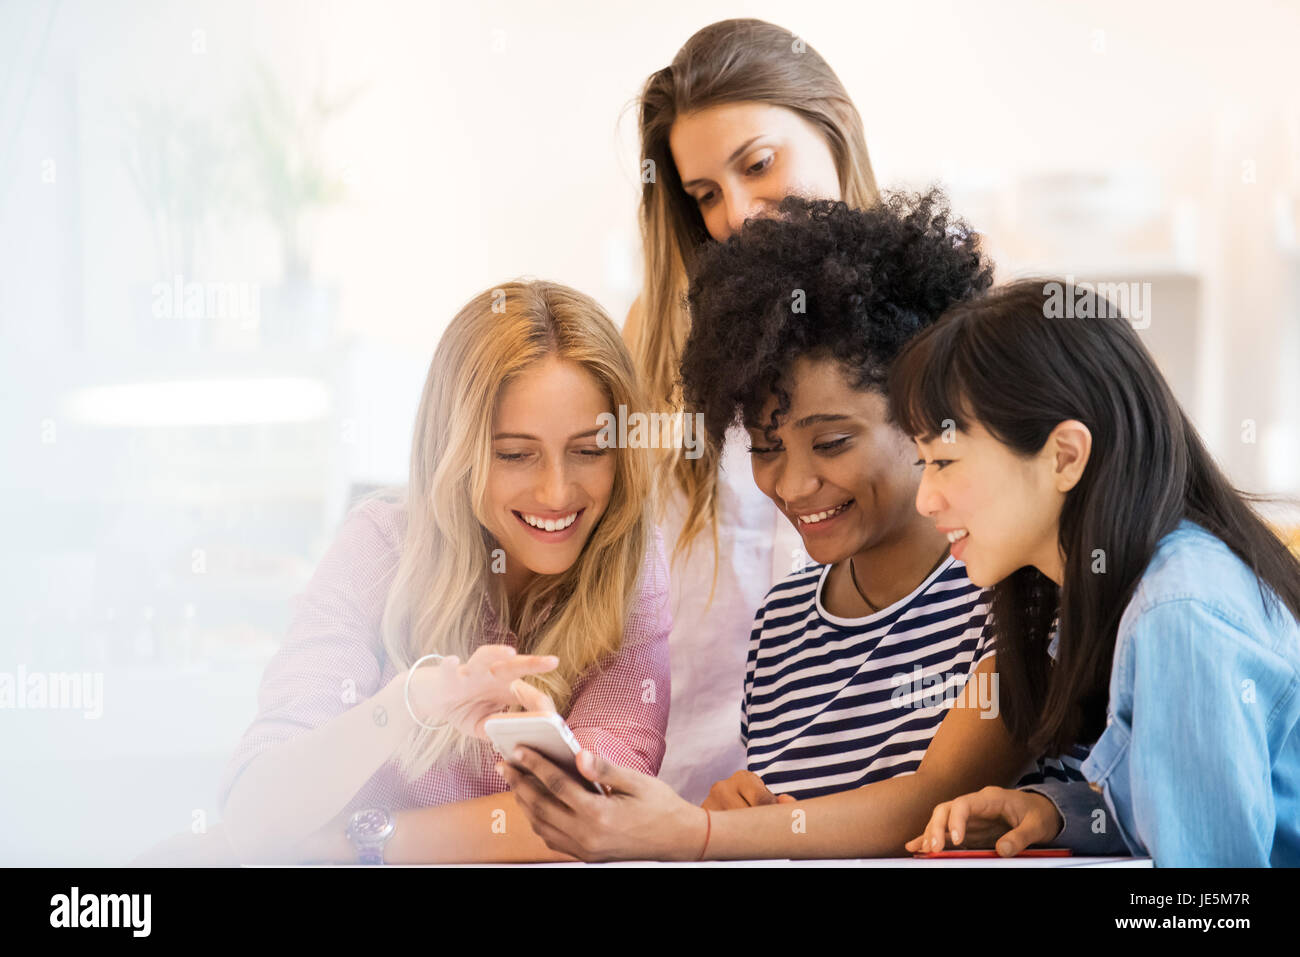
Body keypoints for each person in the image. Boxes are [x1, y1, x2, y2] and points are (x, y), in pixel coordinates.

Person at [497, 195, 1071, 861]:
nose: (792, 485)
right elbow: (799, 828)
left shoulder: (1014, 585)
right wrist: (746, 814)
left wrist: (702, 833)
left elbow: (928, 800)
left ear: (927, 415)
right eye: (766, 449)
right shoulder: (783, 626)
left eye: (830, 442)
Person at [217, 280, 671, 864]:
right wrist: (408, 703)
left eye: (588, 450)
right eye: (514, 453)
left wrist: (359, 842)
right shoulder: (379, 548)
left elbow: (602, 813)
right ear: (454, 450)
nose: (558, 492)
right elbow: (256, 811)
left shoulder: (631, 560)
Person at [890, 280, 1300, 866]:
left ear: (1064, 457)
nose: (925, 499)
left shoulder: (1179, 614)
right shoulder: (1136, 587)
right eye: (922, 462)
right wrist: (1059, 811)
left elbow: (1216, 905)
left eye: (946, 462)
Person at [625, 16, 882, 803]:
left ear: (832, 126)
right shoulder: (658, 334)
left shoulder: (936, 322)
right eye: (705, 194)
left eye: (759, 165)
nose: (735, 215)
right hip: (691, 795)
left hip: (882, 794)